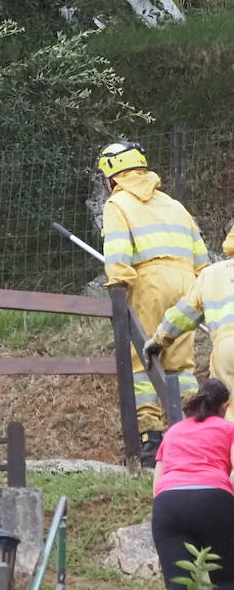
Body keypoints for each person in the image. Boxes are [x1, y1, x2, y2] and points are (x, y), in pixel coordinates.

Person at [98, 140, 209, 466]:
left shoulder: (118, 204)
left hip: (148, 285)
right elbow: (202, 258)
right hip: (186, 284)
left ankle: (150, 441)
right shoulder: (175, 205)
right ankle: (193, 432)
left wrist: (118, 291)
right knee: (181, 366)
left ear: (111, 176)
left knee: (142, 360)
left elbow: (118, 255)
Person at [151, 378, 234, 590]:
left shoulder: (174, 431)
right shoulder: (229, 429)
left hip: (168, 504)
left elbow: (157, 483)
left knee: (178, 588)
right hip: (213, 499)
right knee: (228, 579)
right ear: (225, 406)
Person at [147, 223, 234, 405]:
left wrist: (158, 340)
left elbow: (181, 315)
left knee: (227, 409)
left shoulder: (210, 274)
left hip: (226, 349)